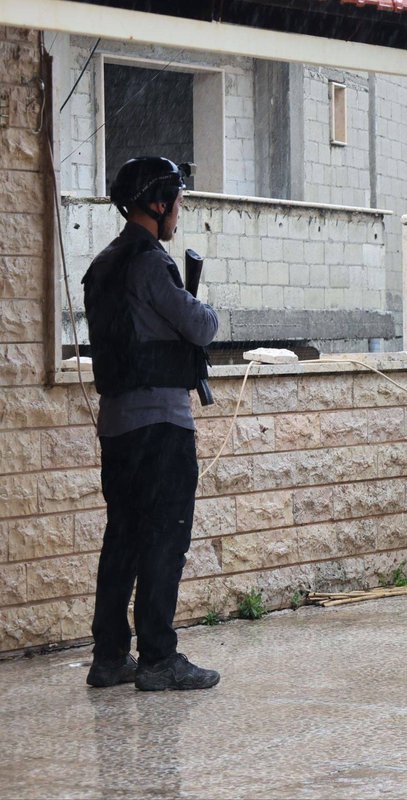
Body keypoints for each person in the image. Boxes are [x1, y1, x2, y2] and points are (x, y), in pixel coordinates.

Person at [82, 156, 220, 691]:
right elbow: (201, 326)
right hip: (161, 425)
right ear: (158, 204)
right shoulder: (149, 264)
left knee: (122, 539)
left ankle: (109, 657)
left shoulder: (103, 266)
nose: (179, 213)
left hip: (117, 427)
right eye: (177, 203)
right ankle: (159, 658)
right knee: (164, 539)